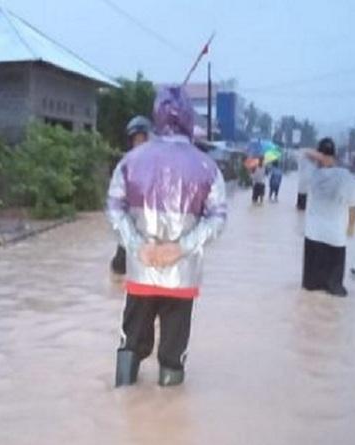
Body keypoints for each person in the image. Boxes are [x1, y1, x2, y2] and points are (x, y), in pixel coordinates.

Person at [107, 86, 227, 387]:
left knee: (131, 343)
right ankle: (171, 425)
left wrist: (138, 247)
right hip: (182, 278)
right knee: (173, 355)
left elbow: (114, 209)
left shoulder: (130, 161)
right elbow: (218, 219)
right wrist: (181, 248)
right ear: (189, 117)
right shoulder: (207, 167)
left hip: (141, 274)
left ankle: (123, 407)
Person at [302, 138, 355, 297]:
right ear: (335, 154)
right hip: (336, 239)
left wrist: (319, 156)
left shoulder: (311, 173)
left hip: (313, 238)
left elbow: (303, 153)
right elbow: (353, 205)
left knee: (310, 291)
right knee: (335, 293)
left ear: (319, 154)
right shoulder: (345, 175)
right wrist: (351, 226)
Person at [110, 116, 152, 277]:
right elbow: (115, 199)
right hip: (129, 223)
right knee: (120, 267)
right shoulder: (124, 165)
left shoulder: (158, 164)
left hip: (152, 225)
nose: (140, 144)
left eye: (143, 140)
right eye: (136, 140)